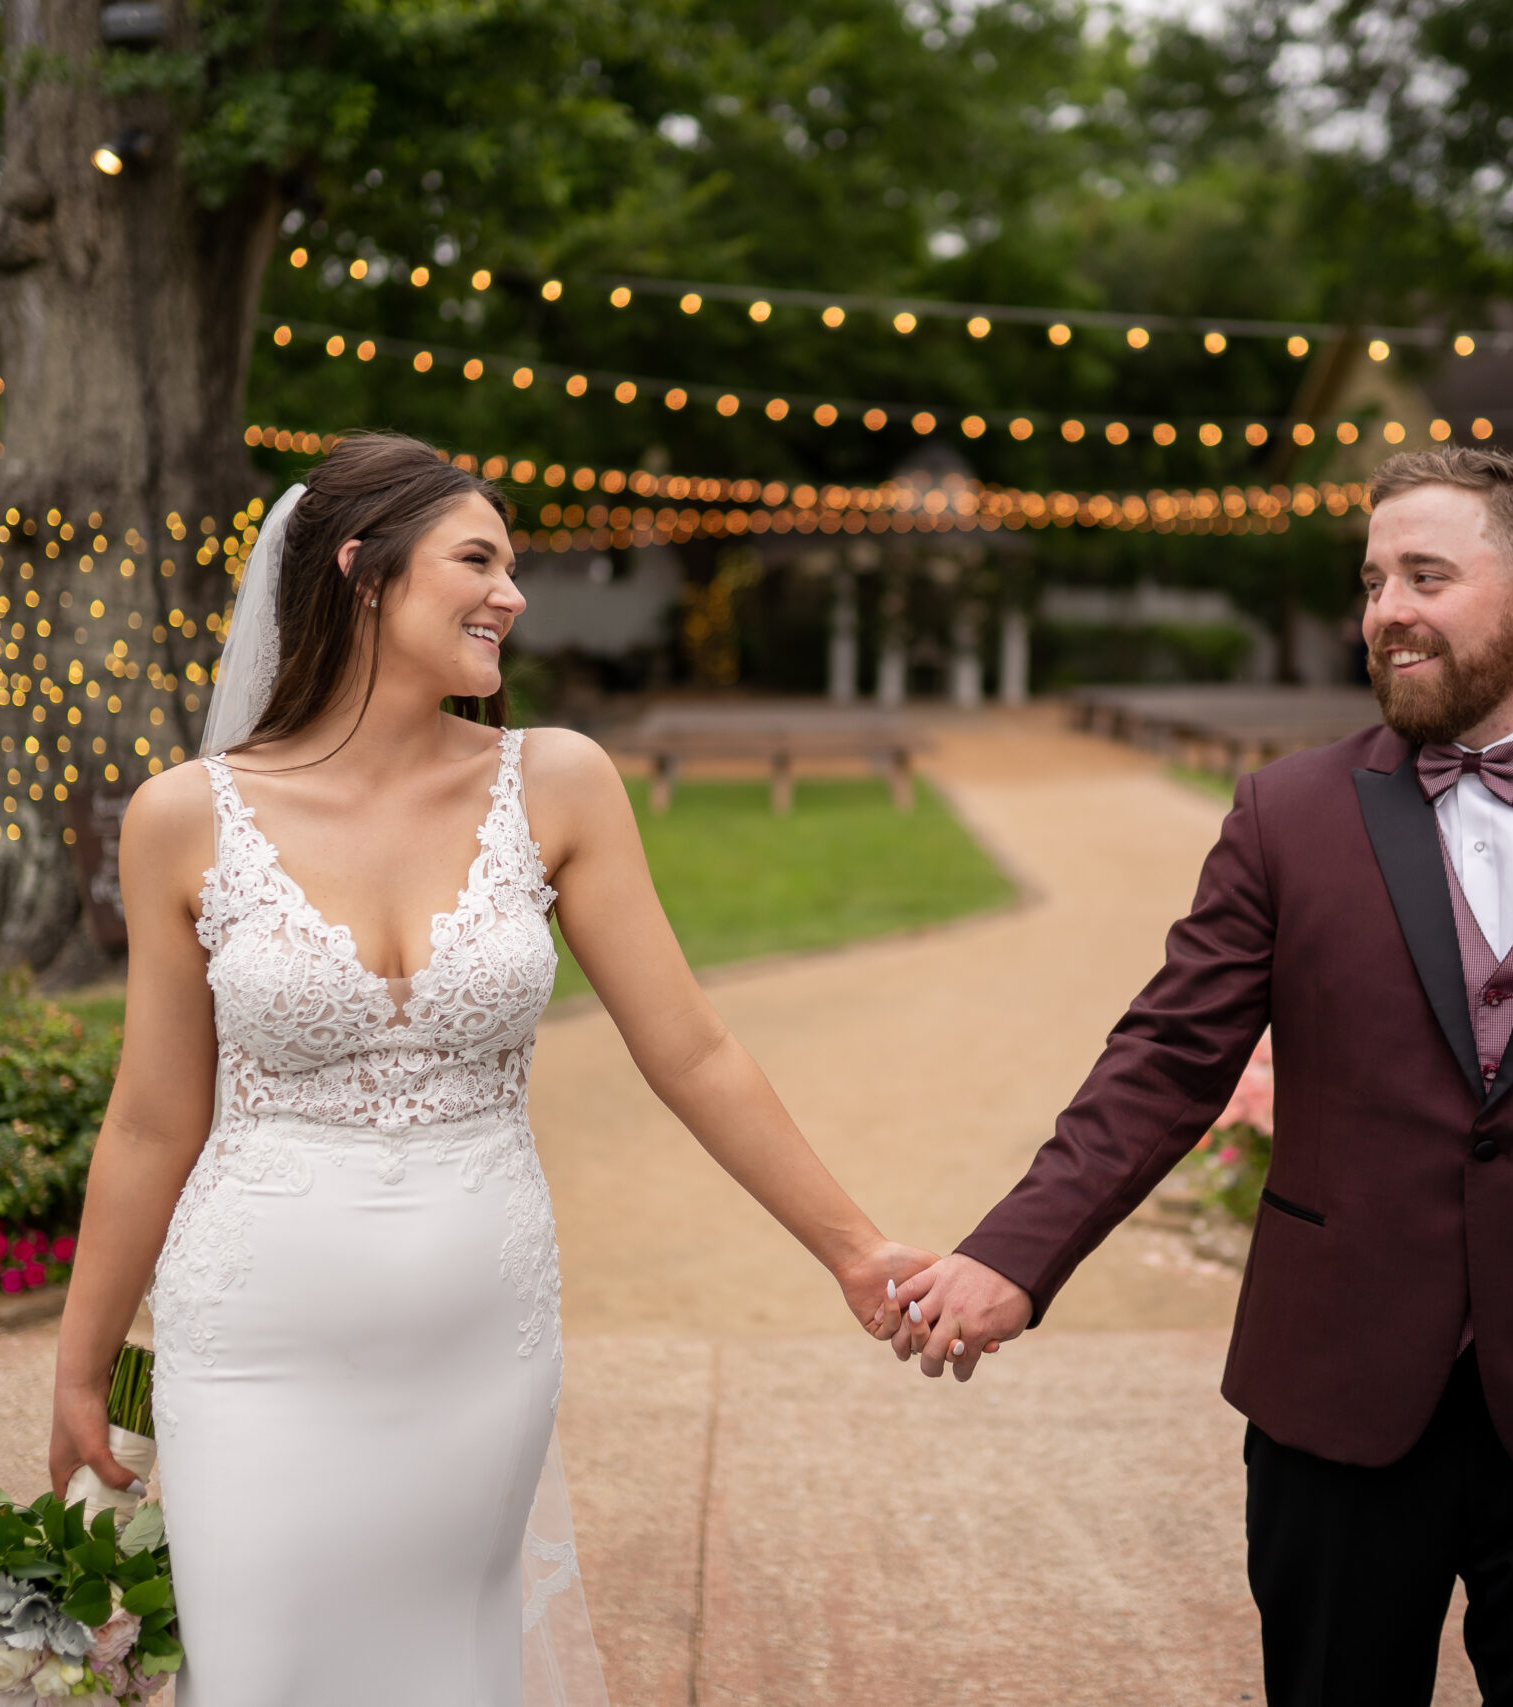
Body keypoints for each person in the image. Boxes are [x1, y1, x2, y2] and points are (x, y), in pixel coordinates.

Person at [890, 447, 1513, 1705]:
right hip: (1337, 1401)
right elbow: (1167, 1056)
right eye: (1374, 579)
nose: (1384, 609)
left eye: (1425, 575)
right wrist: (1015, 1252)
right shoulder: (1287, 816)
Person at [47, 433, 931, 1706]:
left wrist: (852, 1249)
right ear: (360, 572)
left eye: (511, 566)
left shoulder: (556, 783)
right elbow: (149, 1121)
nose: (512, 594)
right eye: (479, 560)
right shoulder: (184, 816)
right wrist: (82, 1367)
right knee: (261, 1672)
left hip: (481, 1341)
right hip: (252, 1344)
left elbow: (691, 1049)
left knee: (446, 1669)